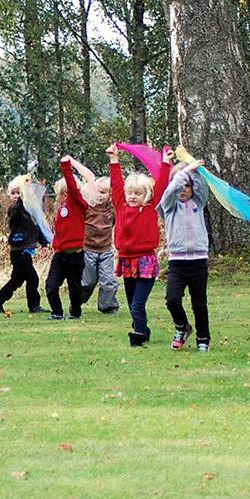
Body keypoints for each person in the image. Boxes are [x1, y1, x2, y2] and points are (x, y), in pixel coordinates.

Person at [107, 143, 171, 347]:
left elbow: (161, 184)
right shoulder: (121, 205)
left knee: (137, 304)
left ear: (147, 196)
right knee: (131, 302)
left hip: (145, 261)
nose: (133, 197)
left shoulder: (150, 208)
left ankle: (139, 334)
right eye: (130, 193)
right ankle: (143, 329)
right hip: (126, 261)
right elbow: (116, 185)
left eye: (138, 193)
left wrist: (166, 164)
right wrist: (114, 160)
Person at [157, 155, 211, 352]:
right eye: (180, 184)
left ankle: (203, 338)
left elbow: (201, 187)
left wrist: (193, 172)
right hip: (177, 263)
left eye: (187, 186)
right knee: (172, 300)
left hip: (198, 261)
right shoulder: (169, 206)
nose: (183, 190)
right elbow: (171, 191)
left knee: (199, 304)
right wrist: (184, 172)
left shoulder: (199, 202)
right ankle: (182, 327)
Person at [0, 176, 49, 314]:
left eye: (18, 193)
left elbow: (37, 227)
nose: (15, 196)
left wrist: (44, 243)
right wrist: (24, 192)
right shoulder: (14, 210)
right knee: (33, 278)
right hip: (19, 251)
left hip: (25, 250)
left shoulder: (29, 211)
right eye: (13, 193)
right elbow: (18, 209)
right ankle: (33, 306)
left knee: (16, 281)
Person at [70, 160, 119, 314]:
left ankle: (108, 306)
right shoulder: (87, 207)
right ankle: (77, 302)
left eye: (103, 193)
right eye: (97, 191)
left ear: (110, 195)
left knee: (108, 281)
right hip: (88, 249)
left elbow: (115, 224)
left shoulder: (112, 210)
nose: (99, 195)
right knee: (87, 282)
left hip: (106, 250)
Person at [45, 156, 88, 320]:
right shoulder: (61, 207)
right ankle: (57, 312)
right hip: (60, 255)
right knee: (51, 285)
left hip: (76, 255)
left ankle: (75, 312)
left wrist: (65, 165)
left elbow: (71, 185)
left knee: (75, 288)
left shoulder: (78, 204)